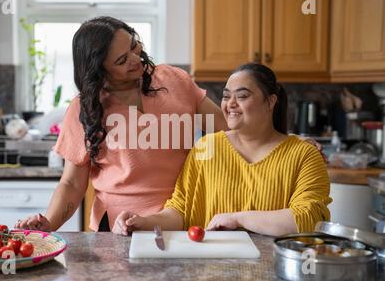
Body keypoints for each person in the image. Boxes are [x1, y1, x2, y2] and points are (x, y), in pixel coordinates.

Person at [16, 17, 322, 233]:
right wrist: (49, 223)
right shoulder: (84, 109)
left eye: (135, 47)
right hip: (120, 227)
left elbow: (227, 127)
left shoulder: (173, 80)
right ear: (100, 71)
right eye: (122, 60)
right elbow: (71, 184)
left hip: (182, 219)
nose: (136, 60)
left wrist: (288, 143)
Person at [113, 63, 332, 236]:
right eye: (227, 96)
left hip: (274, 271)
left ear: (270, 102)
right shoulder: (206, 148)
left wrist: (238, 218)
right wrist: (143, 222)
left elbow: (308, 220)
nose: (230, 104)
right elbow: (180, 210)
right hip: (211, 270)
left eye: (243, 96)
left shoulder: (304, 155)